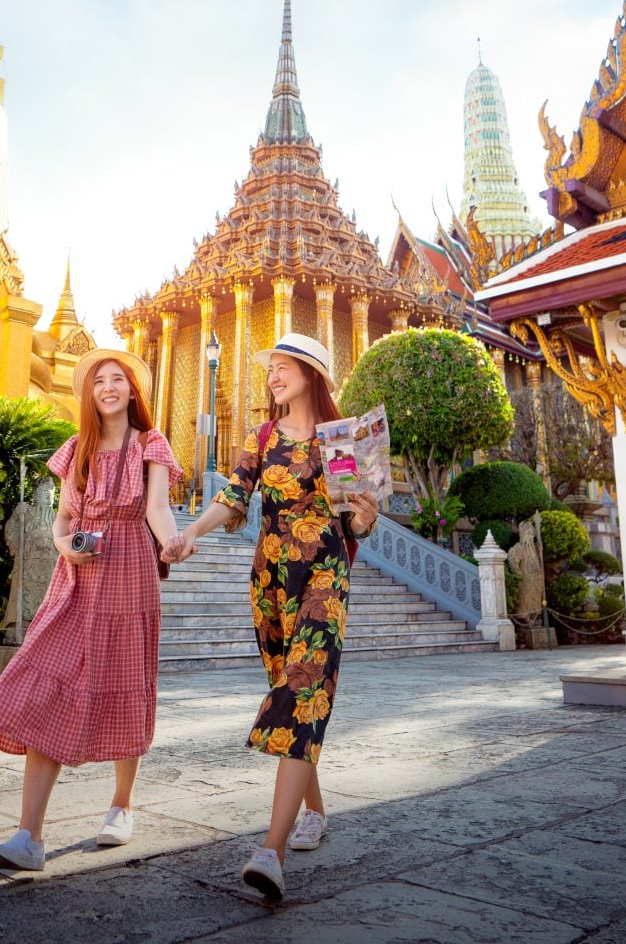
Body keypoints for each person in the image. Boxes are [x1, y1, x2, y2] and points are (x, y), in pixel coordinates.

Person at [167, 332, 380, 901]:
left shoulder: (339, 439)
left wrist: (363, 517)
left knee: (304, 689)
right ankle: (314, 809)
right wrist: (188, 532)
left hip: (324, 578)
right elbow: (233, 497)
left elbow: (356, 522)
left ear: (312, 374)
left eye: (285, 367)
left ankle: (271, 851)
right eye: (272, 369)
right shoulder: (261, 438)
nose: (274, 376)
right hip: (270, 581)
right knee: (290, 690)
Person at [0, 349, 182, 872]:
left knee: (124, 682)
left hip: (131, 573)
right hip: (77, 581)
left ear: (134, 391)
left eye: (118, 380)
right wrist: (66, 546)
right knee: (48, 685)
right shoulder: (77, 449)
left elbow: (156, 509)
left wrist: (175, 542)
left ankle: (122, 805)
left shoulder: (150, 444)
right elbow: (63, 519)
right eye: (99, 381)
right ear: (88, 393)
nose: (108, 388)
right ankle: (29, 836)